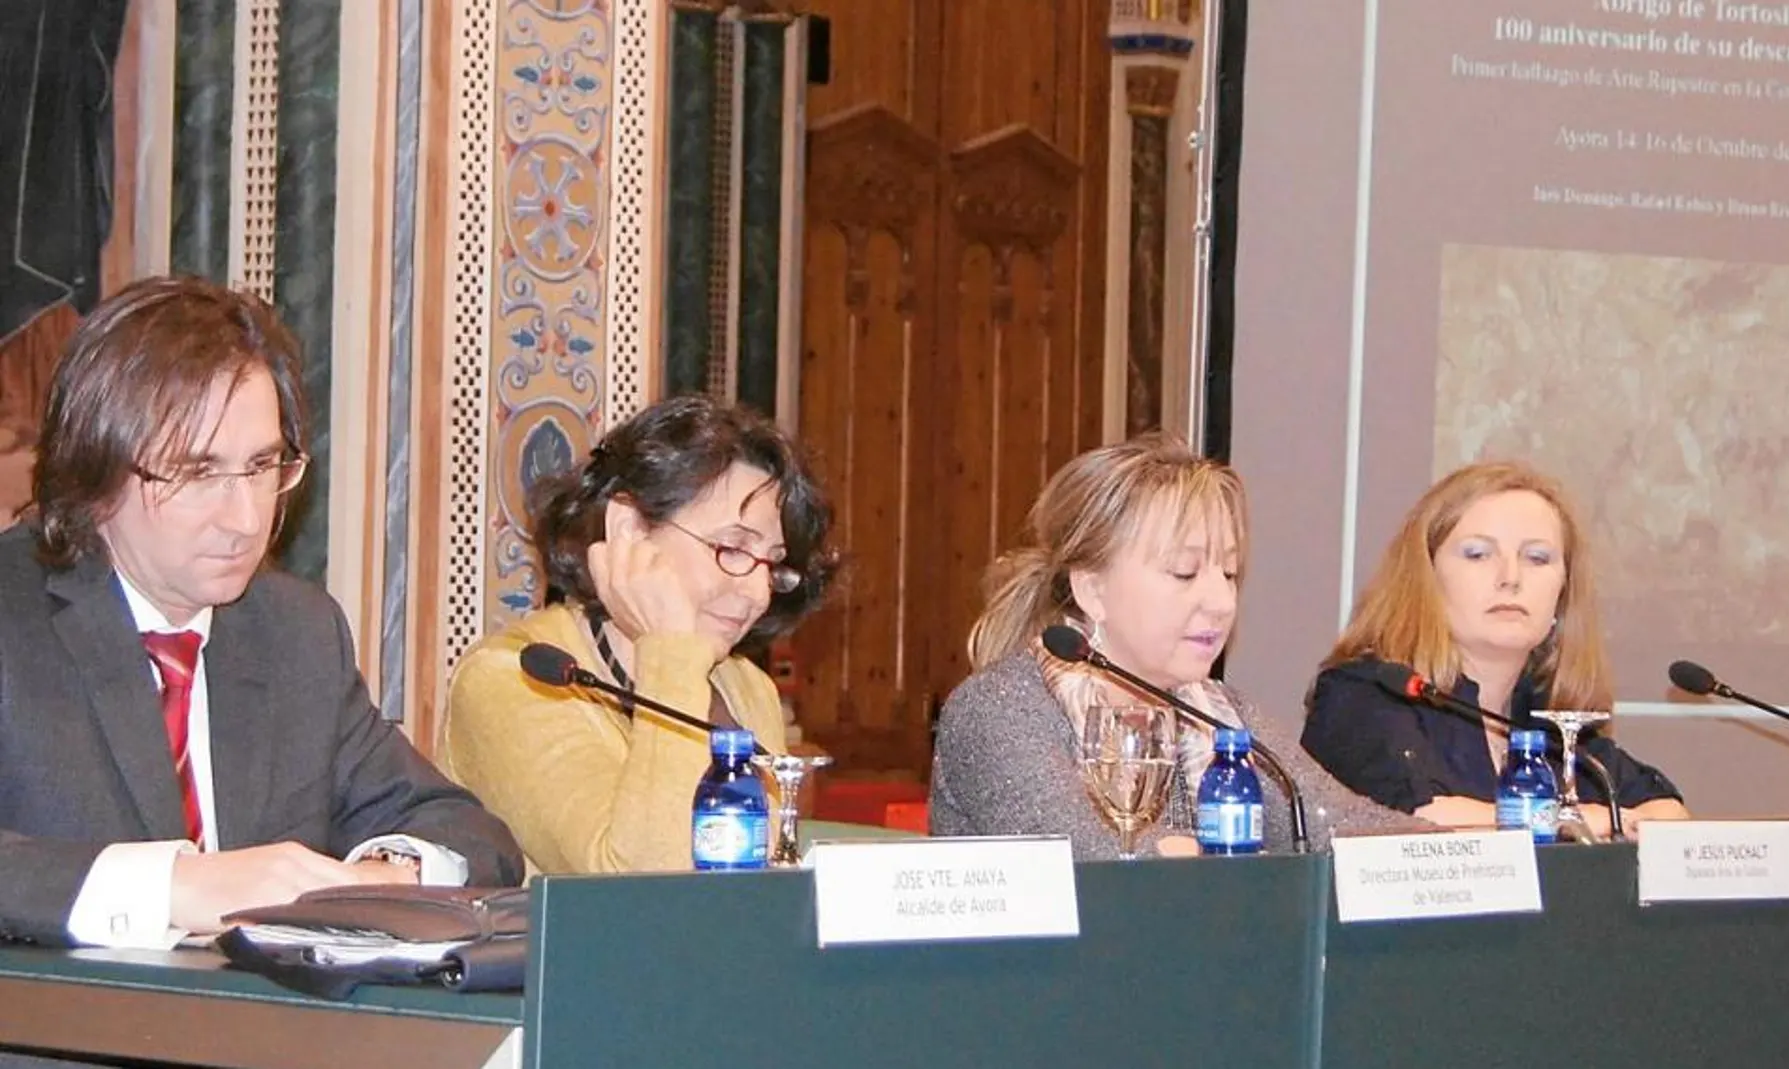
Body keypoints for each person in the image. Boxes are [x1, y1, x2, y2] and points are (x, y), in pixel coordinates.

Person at [0, 276, 523, 956]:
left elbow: (466, 830)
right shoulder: (15, 613)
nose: (246, 518)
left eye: (262, 466)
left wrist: (381, 878)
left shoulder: (294, 633)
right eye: (198, 472)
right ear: (96, 475)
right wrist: (175, 886)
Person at [929, 433, 1418, 858]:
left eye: (1229, 573)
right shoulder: (1000, 709)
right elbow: (1095, 856)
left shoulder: (1223, 715)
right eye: (1185, 572)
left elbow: (1332, 823)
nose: (1222, 601)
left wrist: (1461, 845)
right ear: (1092, 589)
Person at [444, 396, 838, 872]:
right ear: (628, 530)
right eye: (732, 548)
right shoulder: (511, 682)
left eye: (771, 563)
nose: (757, 592)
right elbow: (643, 887)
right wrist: (670, 653)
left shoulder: (747, 688)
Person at [1302, 460, 1689, 838]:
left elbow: (1668, 812)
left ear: (1562, 595)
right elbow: (1417, 818)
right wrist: (1575, 819)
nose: (1511, 578)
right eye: (1478, 554)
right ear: (1425, 579)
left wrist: (1593, 818)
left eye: (1536, 558)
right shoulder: (1363, 693)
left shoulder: (1547, 720)